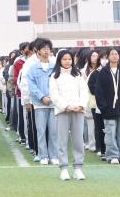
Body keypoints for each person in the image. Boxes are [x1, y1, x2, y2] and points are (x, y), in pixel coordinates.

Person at [49, 50, 89, 181]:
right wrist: (65, 106)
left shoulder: (78, 74)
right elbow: (54, 95)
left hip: (78, 111)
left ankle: (78, 168)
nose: (67, 61)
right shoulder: (54, 76)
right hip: (62, 111)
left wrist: (81, 105)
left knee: (78, 140)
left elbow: (84, 92)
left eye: (69, 59)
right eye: (64, 59)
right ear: (59, 60)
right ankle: (64, 168)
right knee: (62, 140)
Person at [95, 47, 120, 165]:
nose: (114, 56)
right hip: (108, 110)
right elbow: (99, 91)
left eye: (116, 54)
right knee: (110, 133)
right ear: (107, 56)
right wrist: (103, 107)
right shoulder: (103, 72)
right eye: (112, 54)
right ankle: (112, 155)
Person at [26, 38, 58, 166]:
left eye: (48, 48)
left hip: (54, 104)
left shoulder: (55, 67)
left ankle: (54, 156)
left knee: (54, 132)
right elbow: (31, 85)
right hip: (39, 104)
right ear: (38, 51)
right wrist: (42, 97)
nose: (46, 50)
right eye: (43, 48)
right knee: (41, 131)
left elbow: (58, 83)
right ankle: (43, 155)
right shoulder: (33, 68)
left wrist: (52, 97)